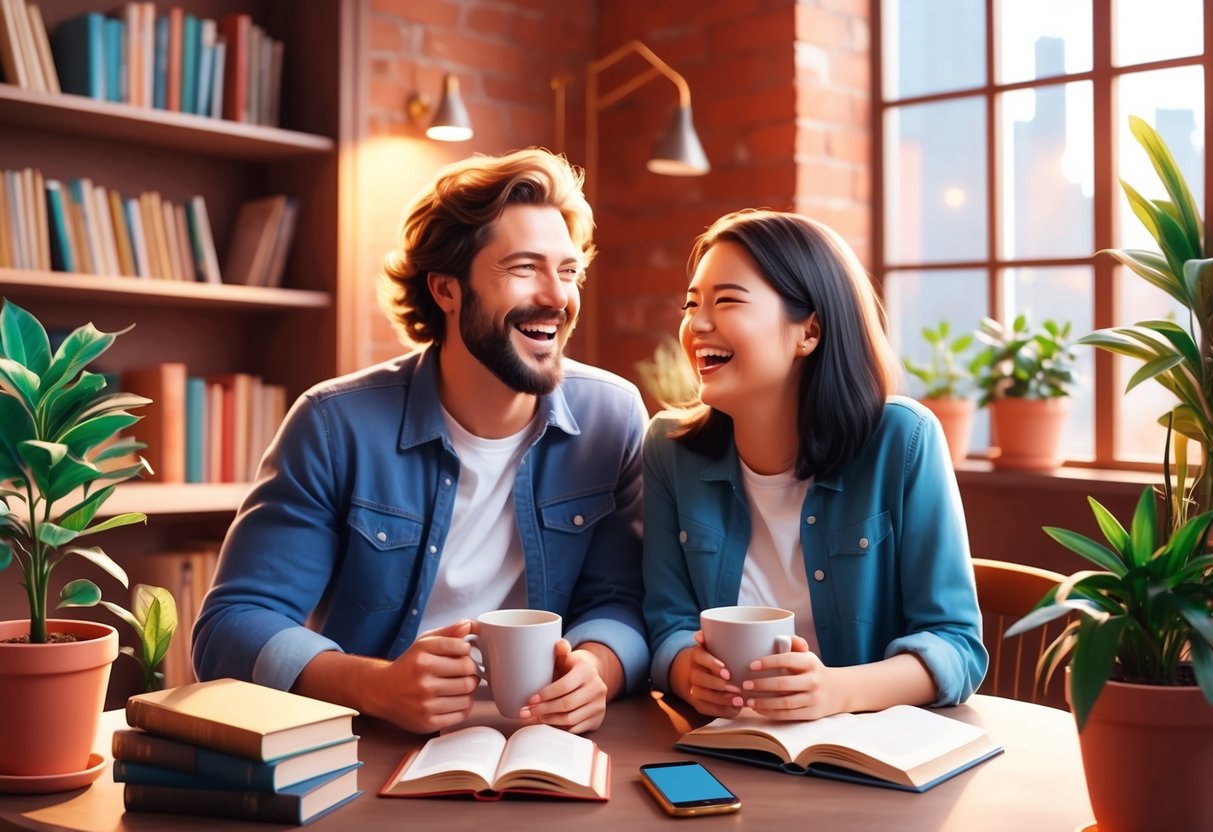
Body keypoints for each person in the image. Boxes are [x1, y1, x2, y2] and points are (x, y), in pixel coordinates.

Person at [194, 149, 649, 735]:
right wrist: (376, 686)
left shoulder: (612, 415)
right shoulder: (335, 425)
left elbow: (623, 599)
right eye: (523, 268)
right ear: (446, 290)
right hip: (374, 745)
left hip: (546, 743)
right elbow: (231, 626)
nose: (558, 297)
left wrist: (599, 668)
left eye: (567, 271)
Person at [643, 209, 986, 720]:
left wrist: (836, 692)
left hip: (864, 756)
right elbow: (667, 622)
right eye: (692, 304)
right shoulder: (671, 449)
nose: (698, 324)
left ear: (810, 332)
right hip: (727, 746)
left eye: (727, 301)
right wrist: (685, 671)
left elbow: (957, 646)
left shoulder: (903, 440)